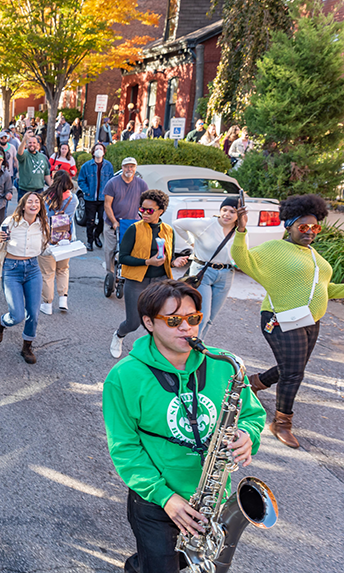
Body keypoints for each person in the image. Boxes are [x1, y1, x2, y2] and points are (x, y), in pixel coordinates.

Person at [103, 280, 265, 573]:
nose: (187, 329)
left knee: (186, 562)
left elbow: (252, 415)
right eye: (174, 320)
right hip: (155, 501)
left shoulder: (223, 366)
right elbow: (124, 448)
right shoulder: (123, 377)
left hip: (210, 500)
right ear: (149, 323)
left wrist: (247, 436)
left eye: (193, 319)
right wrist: (166, 498)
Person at [232, 194, 344, 449]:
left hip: (309, 321)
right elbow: (243, 259)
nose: (310, 232)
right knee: (294, 372)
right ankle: (281, 423)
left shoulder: (315, 255)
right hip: (279, 318)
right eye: (303, 226)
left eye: (315, 227)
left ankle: (253, 383)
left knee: (291, 368)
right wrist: (241, 229)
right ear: (289, 226)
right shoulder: (274, 249)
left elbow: (326, 288)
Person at [110, 189, 189, 359]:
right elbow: (122, 258)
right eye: (142, 209)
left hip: (161, 281)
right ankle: (119, 335)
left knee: (159, 320)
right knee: (134, 322)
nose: (144, 213)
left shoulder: (168, 230)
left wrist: (174, 262)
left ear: (161, 211)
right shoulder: (134, 229)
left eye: (149, 210)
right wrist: (147, 262)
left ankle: (156, 352)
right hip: (137, 281)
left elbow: (168, 256)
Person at [0, 192, 51, 364]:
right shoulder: (11, 222)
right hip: (12, 269)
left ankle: (27, 346)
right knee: (17, 315)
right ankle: (0, 321)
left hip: (33, 269)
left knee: (33, 312)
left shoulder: (43, 224)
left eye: (37, 202)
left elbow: (45, 248)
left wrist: (62, 247)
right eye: (30, 201)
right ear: (23, 205)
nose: (34, 204)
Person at [172, 197, 240, 339]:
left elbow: (242, 252)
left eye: (232, 211)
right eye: (224, 210)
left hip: (226, 274)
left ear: (239, 215)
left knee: (211, 318)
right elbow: (177, 224)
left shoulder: (240, 232)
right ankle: (189, 345)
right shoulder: (208, 223)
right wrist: (192, 243)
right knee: (202, 315)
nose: (227, 214)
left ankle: (198, 345)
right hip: (203, 272)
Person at [39, 172, 78, 315]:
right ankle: (63, 299)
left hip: (48, 240)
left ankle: (47, 304)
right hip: (65, 239)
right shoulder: (73, 199)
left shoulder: (44, 198)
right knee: (62, 269)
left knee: (47, 273)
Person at [103, 157, 148, 275]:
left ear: (135, 168)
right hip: (113, 223)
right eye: (127, 166)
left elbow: (145, 204)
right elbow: (107, 205)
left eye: (132, 166)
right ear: (122, 168)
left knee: (132, 250)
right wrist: (114, 221)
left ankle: (127, 273)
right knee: (111, 250)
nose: (129, 169)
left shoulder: (141, 184)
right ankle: (110, 274)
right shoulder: (112, 183)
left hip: (132, 223)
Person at [77, 142, 113, 252]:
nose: (99, 150)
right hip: (90, 199)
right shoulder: (86, 166)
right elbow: (81, 180)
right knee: (90, 221)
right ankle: (90, 241)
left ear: (104, 152)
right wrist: (87, 191)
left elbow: (111, 181)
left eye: (101, 149)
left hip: (103, 199)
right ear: (93, 152)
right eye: (97, 148)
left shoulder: (108, 166)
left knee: (102, 220)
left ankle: (97, 235)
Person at [16, 130, 52, 198]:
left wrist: (51, 186)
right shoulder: (24, 154)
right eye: (29, 143)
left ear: (37, 144)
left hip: (39, 190)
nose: (32, 144)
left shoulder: (43, 157)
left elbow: (46, 174)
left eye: (34, 143)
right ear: (26, 145)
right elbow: (19, 153)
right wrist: (24, 140)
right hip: (24, 191)